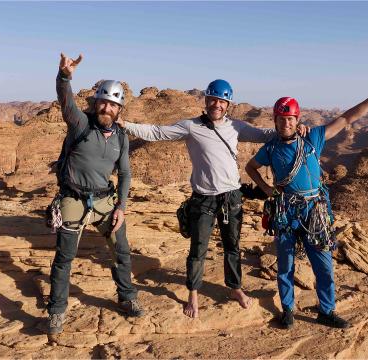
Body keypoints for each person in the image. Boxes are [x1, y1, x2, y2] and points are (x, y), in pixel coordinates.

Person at [116, 80, 306, 318]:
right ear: (206, 101)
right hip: (203, 198)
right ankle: (193, 294)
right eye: (213, 100)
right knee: (198, 249)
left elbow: (265, 135)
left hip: (231, 197)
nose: (217, 105)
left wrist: (297, 128)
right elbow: (157, 132)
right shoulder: (190, 126)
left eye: (222, 101)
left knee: (232, 247)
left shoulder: (236, 127)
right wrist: (126, 125)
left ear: (228, 104)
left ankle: (235, 288)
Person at [245, 74, 368, 329]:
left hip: (314, 210)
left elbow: (347, 118)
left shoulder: (313, 138)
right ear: (276, 121)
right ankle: (288, 309)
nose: (286, 123)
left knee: (323, 264)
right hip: (286, 210)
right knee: (285, 264)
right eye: (282, 119)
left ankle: (327, 310)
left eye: (290, 119)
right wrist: (267, 189)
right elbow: (251, 167)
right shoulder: (270, 149)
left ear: (297, 119)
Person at [46, 53, 143, 337]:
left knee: (122, 251)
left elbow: (125, 175)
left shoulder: (122, 139)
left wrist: (121, 207)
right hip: (73, 199)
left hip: (104, 202)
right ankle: (56, 312)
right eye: (103, 102)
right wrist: (64, 77)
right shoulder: (81, 124)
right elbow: (66, 102)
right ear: (95, 102)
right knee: (65, 257)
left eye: (113, 104)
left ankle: (126, 297)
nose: (107, 108)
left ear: (119, 109)